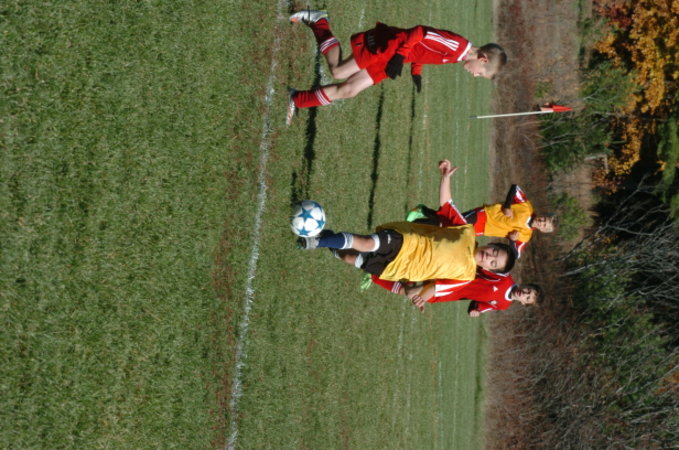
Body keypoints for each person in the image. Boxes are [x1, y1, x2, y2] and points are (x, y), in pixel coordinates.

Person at [286, 9, 507, 124]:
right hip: (389, 47)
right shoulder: (457, 46)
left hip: (392, 59)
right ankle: (319, 21)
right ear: (483, 60)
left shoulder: (459, 56)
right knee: (338, 70)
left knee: (349, 90)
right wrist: (400, 57)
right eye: (481, 74)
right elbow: (421, 32)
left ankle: (296, 99)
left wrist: (416, 71)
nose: (475, 75)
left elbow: (423, 49)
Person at [297, 165, 515, 281]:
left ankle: (329, 240)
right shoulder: (467, 233)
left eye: (493, 262)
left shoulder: (465, 276)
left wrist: (417, 294)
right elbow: (447, 205)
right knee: (365, 243)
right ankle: (317, 242)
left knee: (349, 257)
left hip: (402, 269)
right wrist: (445, 179)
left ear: (489, 268)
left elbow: (438, 289)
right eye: (495, 252)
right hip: (407, 241)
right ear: (491, 244)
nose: (490, 257)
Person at [408, 160, 556, 257]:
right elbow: (515, 188)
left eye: (544, 225)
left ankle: (421, 215)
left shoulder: (525, 236)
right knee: (453, 223)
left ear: (542, 230)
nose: (542, 222)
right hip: (485, 215)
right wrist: (507, 206)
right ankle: (418, 218)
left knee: (450, 226)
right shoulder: (527, 208)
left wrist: (512, 241)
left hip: (484, 229)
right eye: (544, 219)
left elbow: (515, 255)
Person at [369, 271, 542, 315]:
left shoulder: (503, 305)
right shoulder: (505, 279)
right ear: (526, 285)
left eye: (527, 297)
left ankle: (374, 275)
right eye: (528, 290)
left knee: (410, 291)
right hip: (452, 276)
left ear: (524, 303)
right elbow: (481, 269)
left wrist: (475, 311)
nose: (524, 293)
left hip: (451, 294)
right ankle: (374, 270)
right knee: (413, 284)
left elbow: (481, 306)